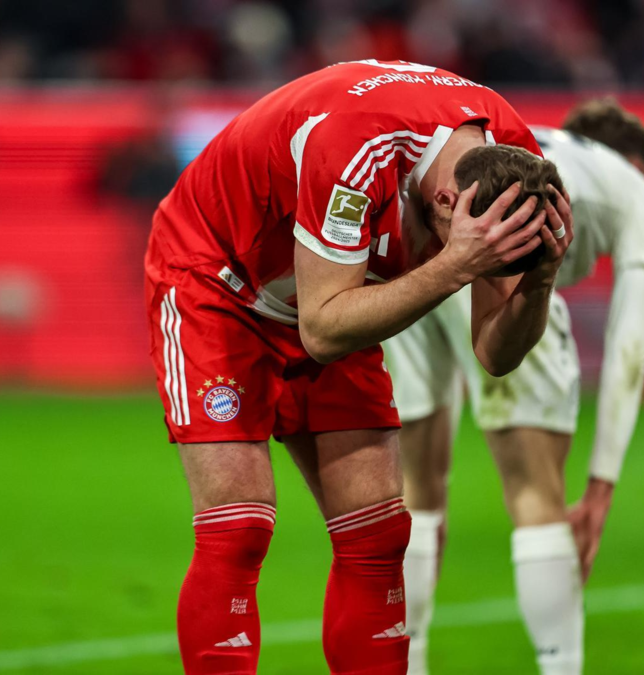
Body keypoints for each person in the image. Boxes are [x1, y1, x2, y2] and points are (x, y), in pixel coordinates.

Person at [143, 59, 573, 675]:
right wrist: (455, 265)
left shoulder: (509, 170)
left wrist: (539, 282)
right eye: (473, 247)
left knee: (377, 533)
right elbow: (323, 330)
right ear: (449, 199)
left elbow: (495, 353)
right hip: (218, 282)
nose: (479, 263)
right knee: (240, 525)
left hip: (335, 289)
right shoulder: (353, 150)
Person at [384, 98, 644, 675]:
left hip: (420, 257)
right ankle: (560, 666)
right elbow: (629, 349)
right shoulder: (635, 192)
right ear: (631, 161)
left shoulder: (522, 147)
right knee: (537, 495)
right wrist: (602, 484)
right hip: (499, 271)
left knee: (417, 489)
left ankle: (407, 663)